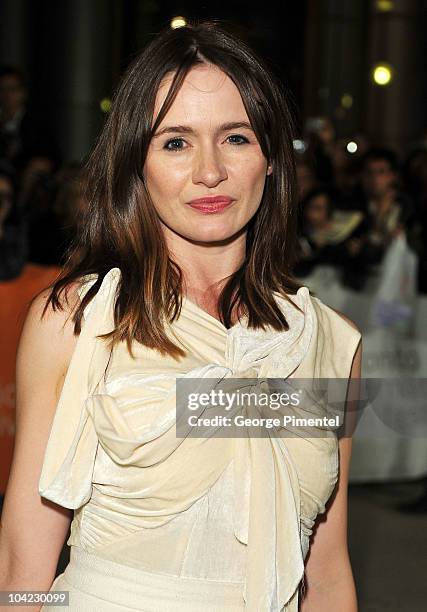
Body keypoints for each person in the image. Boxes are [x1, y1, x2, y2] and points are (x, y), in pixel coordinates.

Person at [0, 21, 362, 612]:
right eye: (175, 142)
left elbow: (326, 575)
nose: (209, 171)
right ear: (137, 165)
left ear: (271, 158)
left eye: (236, 138)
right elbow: (22, 565)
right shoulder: (76, 322)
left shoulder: (326, 342)